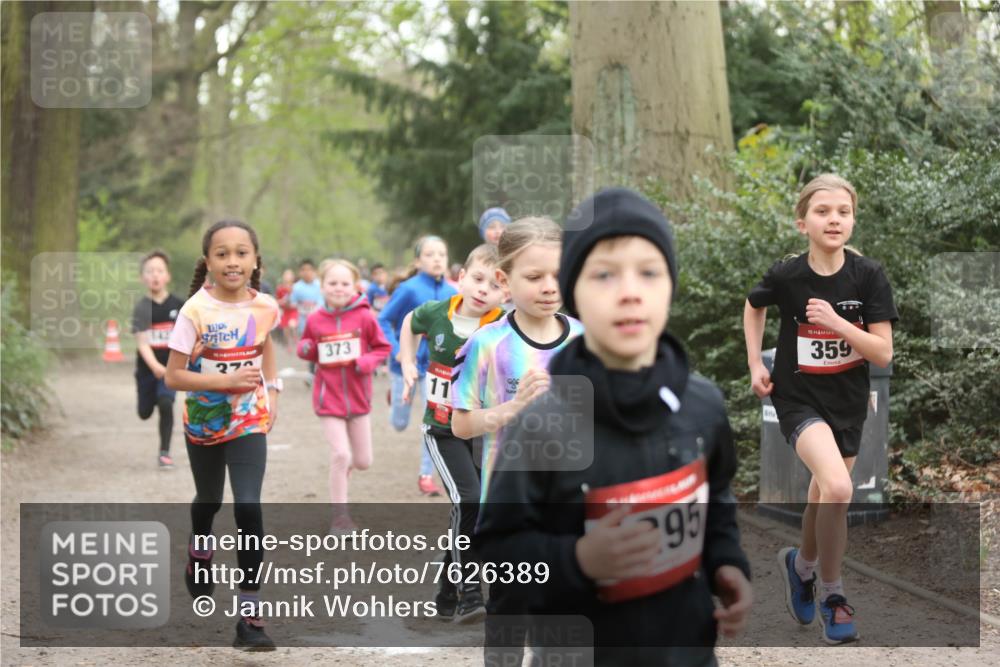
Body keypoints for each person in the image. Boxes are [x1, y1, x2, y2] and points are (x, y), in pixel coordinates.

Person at [476, 188, 752, 666]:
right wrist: (579, 561)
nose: (629, 290)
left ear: (671, 285)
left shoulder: (703, 404)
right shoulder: (544, 424)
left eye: (649, 271)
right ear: (574, 291)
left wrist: (727, 562)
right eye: (603, 274)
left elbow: (718, 500)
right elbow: (497, 552)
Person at [743, 174, 897, 645]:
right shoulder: (788, 274)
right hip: (797, 397)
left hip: (848, 403)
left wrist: (836, 323)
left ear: (853, 220)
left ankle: (801, 566)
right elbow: (753, 307)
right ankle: (834, 595)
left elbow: (883, 353)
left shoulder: (868, 276)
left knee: (821, 496)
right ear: (802, 222)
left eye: (843, 212)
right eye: (823, 211)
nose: (834, 219)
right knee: (836, 486)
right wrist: (754, 362)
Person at [165, 219, 282, 652]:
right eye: (222, 254)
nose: (232, 261)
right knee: (210, 501)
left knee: (248, 506)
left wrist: (272, 391)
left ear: (254, 260)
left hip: (248, 418)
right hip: (205, 421)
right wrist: (221, 384)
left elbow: (266, 344)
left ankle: (249, 617)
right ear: (209, 262)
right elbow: (173, 378)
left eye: (241, 253)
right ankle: (200, 552)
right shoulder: (194, 311)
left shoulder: (266, 306)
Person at [397, 244, 505, 623]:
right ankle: (469, 593)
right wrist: (407, 361)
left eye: (493, 285)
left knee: (473, 510)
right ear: (461, 277)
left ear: (505, 293)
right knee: (469, 500)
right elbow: (410, 322)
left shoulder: (501, 326)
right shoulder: (436, 312)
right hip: (441, 430)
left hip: (480, 433)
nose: (482, 289)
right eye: (477, 279)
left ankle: (445, 589)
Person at [451, 216, 583, 503]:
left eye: (558, 275)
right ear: (503, 280)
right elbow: (460, 426)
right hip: (507, 503)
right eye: (535, 277)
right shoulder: (485, 343)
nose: (549, 287)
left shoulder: (585, 340)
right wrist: (515, 407)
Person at [297, 259, 391, 533]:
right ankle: (340, 518)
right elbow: (310, 348)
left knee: (362, 462)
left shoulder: (365, 317)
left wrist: (367, 362)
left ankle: (344, 472)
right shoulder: (315, 319)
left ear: (355, 287)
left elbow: (382, 348)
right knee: (340, 454)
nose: (338, 289)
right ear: (322, 286)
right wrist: (305, 348)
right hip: (329, 399)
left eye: (344, 284)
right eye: (332, 283)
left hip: (359, 400)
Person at [378, 235, 456, 496]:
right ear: (418, 261)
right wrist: (398, 351)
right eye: (430, 254)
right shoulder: (409, 289)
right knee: (400, 423)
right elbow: (383, 320)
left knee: (432, 421)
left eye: (441, 254)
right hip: (405, 366)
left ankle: (426, 475)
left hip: (437, 368)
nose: (437, 259)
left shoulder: (453, 292)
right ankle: (395, 400)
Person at [130, 250, 184, 468]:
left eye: (159, 271)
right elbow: (142, 343)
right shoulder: (142, 308)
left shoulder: (179, 306)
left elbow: (186, 339)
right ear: (143, 277)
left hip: (170, 370)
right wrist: (154, 366)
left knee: (166, 403)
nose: (155, 275)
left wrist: (173, 367)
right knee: (144, 413)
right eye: (150, 271)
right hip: (147, 369)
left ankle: (165, 452)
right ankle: (147, 397)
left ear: (167, 276)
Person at [290, 259, 323, 378]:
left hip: (321, 322)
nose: (306, 272)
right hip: (304, 324)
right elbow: (293, 304)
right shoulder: (296, 287)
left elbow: (323, 303)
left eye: (309, 270)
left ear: (315, 271)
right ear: (299, 272)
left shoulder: (320, 285)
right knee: (311, 346)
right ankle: (311, 371)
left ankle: (318, 370)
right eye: (303, 270)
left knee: (321, 345)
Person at [275, 268, 298, 350]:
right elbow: (277, 300)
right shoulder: (280, 288)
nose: (288, 277)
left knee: (292, 324)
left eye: (289, 275)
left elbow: (299, 300)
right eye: (286, 275)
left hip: (293, 311)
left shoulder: (296, 287)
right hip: (285, 311)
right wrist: (282, 302)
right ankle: (288, 344)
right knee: (286, 330)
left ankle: (295, 338)